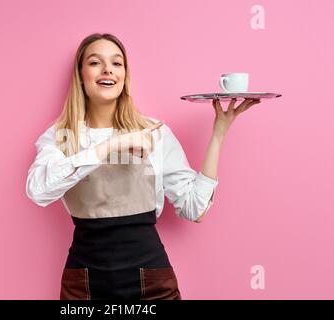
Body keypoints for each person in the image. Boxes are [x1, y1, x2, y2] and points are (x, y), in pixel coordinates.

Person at [26, 33, 261, 300]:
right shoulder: (60, 136)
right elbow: (38, 191)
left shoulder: (153, 132)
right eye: (95, 63)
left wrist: (219, 134)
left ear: (125, 75)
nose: (107, 70)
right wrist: (110, 146)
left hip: (151, 282)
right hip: (86, 283)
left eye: (117, 63)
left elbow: (195, 208)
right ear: (80, 75)